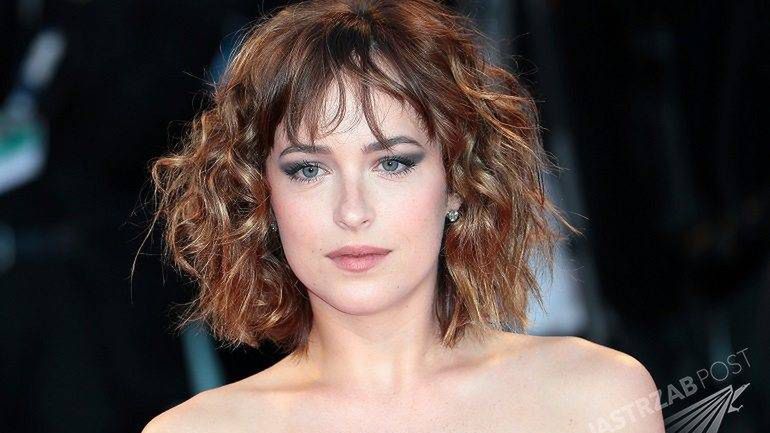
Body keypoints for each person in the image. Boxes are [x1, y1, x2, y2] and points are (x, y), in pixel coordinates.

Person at [142, 0, 665, 431]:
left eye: (392, 163)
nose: (352, 211)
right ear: (262, 195)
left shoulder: (595, 399)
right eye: (308, 170)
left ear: (458, 181)